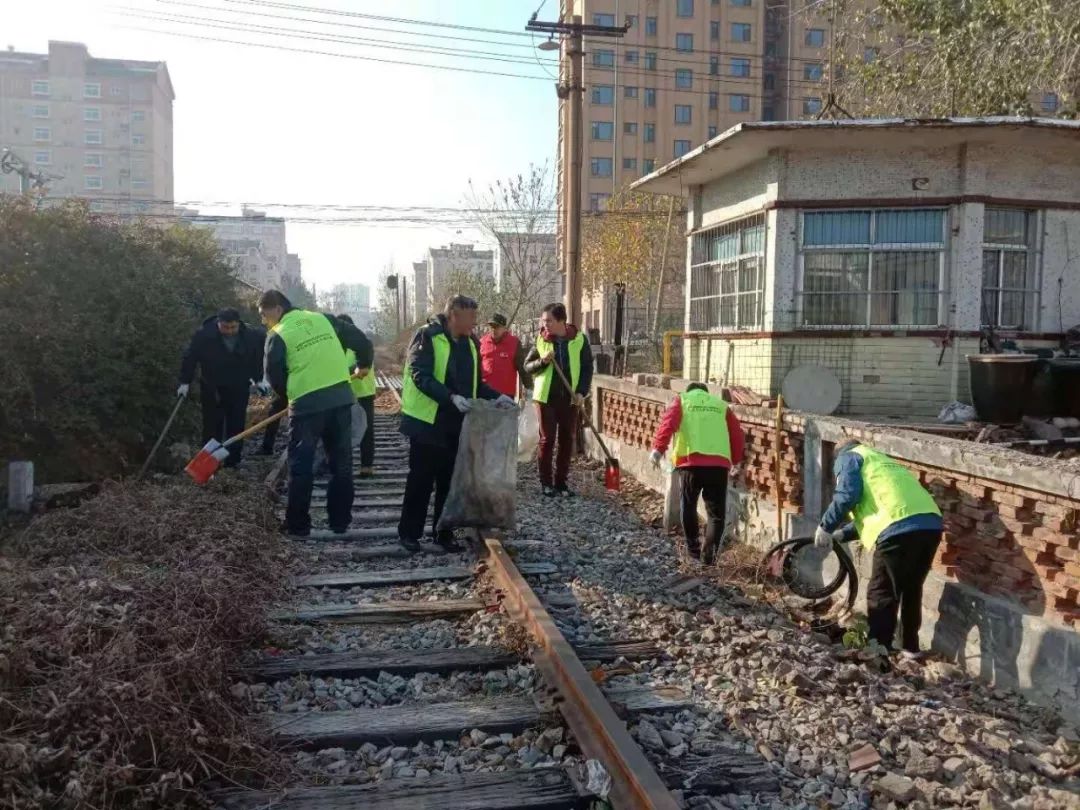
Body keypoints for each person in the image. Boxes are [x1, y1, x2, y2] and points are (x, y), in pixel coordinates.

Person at [398, 295, 514, 553]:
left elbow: (475, 385)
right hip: (427, 421)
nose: (475, 322)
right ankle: (409, 533)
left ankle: (443, 533)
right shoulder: (427, 336)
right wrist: (450, 397)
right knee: (421, 479)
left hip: (456, 422)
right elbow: (420, 375)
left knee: (449, 481)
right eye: (471, 316)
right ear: (455, 315)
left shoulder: (470, 343)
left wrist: (498, 397)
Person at [259, 290, 373, 538]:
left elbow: (274, 376)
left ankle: (298, 526)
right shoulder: (324, 319)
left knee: (301, 466)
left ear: (277, 309)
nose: (262, 320)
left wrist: (291, 395)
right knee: (341, 464)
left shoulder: (276, 335)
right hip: (341, 399)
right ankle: (340, 522)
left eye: (263, 314)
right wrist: (364, 363)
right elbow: (361, 341)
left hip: (307, 407)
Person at [815, 440, 943, 657]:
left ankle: (878, 650)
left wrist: (826, 526)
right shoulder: (881, 461)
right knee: (911, 586)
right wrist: (841, 534)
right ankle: (910, 648)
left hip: (897, 528)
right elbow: (879, 508)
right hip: (930, 524)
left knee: (881, 590)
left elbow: (847, 495)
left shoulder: (849, 458)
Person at [649, 383, 745, 564]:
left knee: (689, 506)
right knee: (716, 515)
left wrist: (658, 450)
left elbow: (668, 424)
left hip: (690, 464)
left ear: (690, 391)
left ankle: (693, 552)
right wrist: (736, 460)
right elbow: (736, 435)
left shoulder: (682, 400)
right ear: (706, 393)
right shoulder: (721, 406)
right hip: (718, 466)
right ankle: (708, 559)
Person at [178, 307, 265, 469]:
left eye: (233, 327)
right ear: (219, 324)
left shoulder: (249, 336)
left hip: (239, 386)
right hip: (212, 387)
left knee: (237, 423)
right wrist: (185, 382)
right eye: (226, 327)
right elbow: (190, 357)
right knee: (212, 425)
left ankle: (233, 462)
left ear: (238, 324)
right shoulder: (204, 335)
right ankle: (210, 465)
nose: (230, 331)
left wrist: (258, 379)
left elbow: (255, 357)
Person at [523, 302, 594, 498]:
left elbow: (587, 368)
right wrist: (542, 361)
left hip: (570, 398)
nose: (544, 324)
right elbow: (527, 366)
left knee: (566, 439)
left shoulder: (579, 340)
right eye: (543, 320)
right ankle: (546, 483)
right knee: (547, 440)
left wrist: (581, 392)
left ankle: (561, 483)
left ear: (561, 321)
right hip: (545, 398)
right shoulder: (541, 339)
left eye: (548, 321)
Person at [338, 313, 377, 477]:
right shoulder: (343, 346)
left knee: (365, 430)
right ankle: (345, 466)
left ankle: (366, 466)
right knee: (345, 431)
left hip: (361, 394)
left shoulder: (359, 345)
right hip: (348, 395)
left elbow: (357, 367)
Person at [479, 313, 531, 400]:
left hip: (506, 394)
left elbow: (522, 367)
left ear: (504, 328)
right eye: (491, 327)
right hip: (485, 393)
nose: (493, 329)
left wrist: (529, 387)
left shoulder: (514, 343)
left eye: (496, 326)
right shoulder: (482, 342)